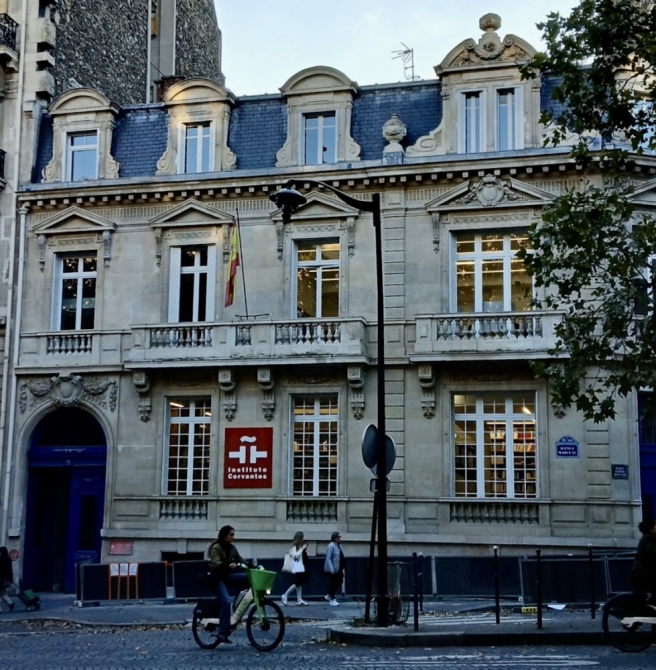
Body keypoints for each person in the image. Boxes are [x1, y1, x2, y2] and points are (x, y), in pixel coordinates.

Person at [208, 525, 249, 643]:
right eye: (231, 535)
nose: (233, 537)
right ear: (224, 536)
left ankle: (238, 603)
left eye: (233, 534)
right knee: (225, 602)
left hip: (227, 576)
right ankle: (222, 633)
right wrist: (227, 565)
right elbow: (215, 563)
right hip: (217, 578)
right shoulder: (216, 548)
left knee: (247, 578)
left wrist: (251, 566)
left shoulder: (232, 548)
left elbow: (240, 559)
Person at [630, 518, 656, 607]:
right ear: (651, 529)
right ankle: (652, 604)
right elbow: (652, 556)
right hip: (642, 574)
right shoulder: (647, 540)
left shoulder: (651, 540)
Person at [281, 531, 309, 606]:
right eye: (302, 538)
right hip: (295, 567)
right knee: (297, 583)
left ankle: (299, 600)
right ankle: (285, 595)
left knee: (299, 584)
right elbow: (295, 556)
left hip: (300, 567)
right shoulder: (293, 547)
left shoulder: (299, 547)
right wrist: (302, 549)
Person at [324, 531, 345, 606]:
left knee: (339, 581)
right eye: (338, 537)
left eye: (339, 537)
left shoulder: (338, 546)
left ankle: (329, 595)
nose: (339, 539)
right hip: (333, 569)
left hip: (338, 568)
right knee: (333, 583)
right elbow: (328, 558)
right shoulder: (331, 546)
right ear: (334, 538)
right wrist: (331, 569)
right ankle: (332, 599)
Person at [0, 546, 15, 613]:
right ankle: (10, 603)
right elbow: (10, 570)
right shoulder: (8, 560)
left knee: (2, 593)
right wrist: (10, 579)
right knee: (3, 593)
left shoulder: (0, 559)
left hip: (0, 579)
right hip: (5, 579)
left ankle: (1, 609)